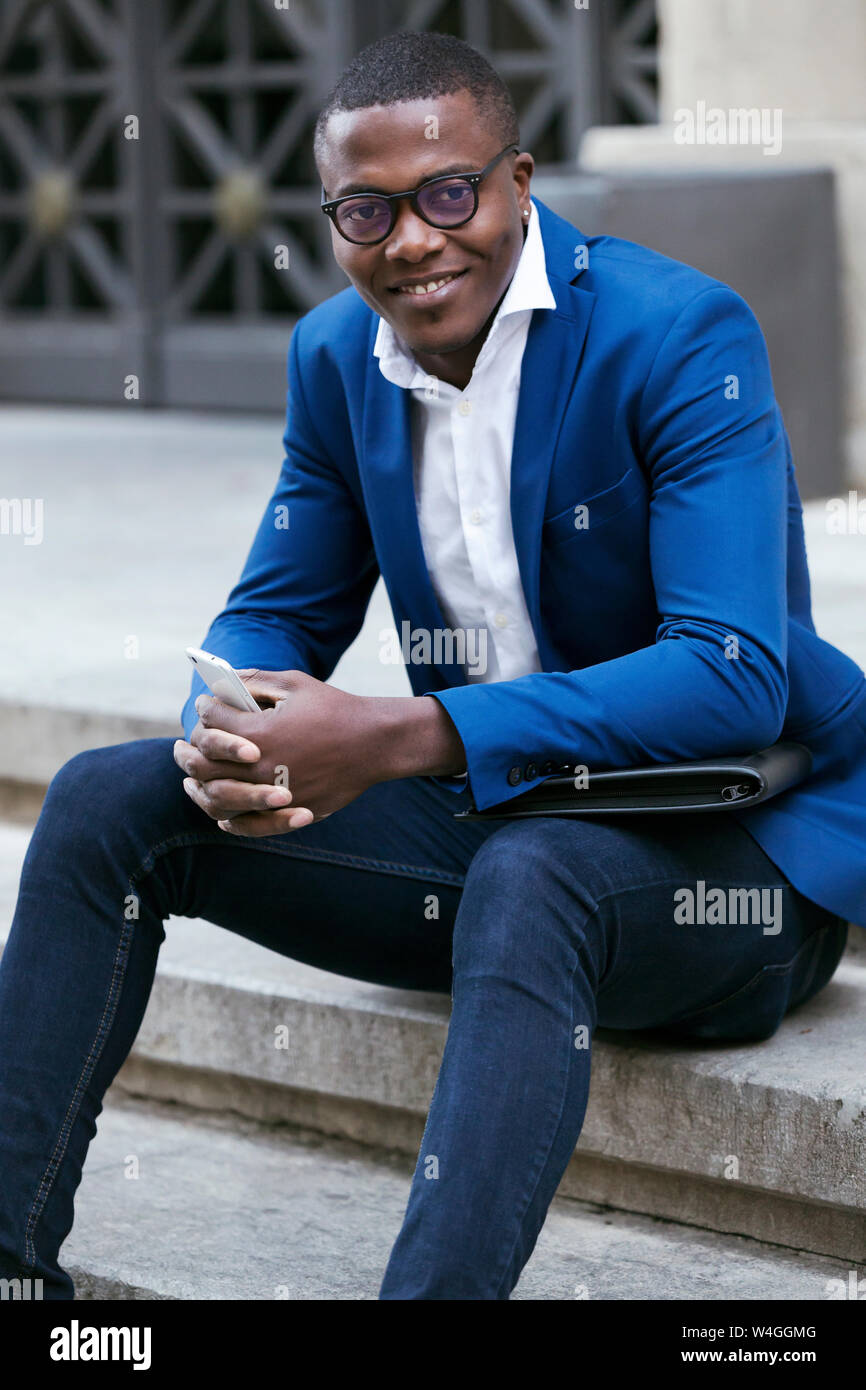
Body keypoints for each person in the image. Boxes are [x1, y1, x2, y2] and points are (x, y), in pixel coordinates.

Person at [1, 29, 864, 1302]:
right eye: (368, 208)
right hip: (500, 824)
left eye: (448, 192)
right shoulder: (336, 358)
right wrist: (227, 724)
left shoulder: (680, 335)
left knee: (532, 871)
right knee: (100, 800)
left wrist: (404, 733)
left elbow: (731, 673)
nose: (411, 239)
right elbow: (272, 614)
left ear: (518, 181)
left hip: (731, 860)